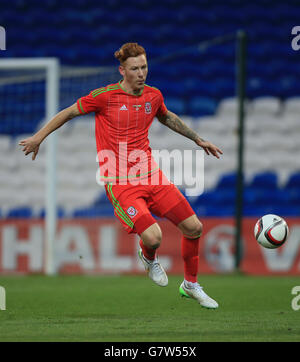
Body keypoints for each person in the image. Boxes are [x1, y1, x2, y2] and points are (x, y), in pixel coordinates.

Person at [19, 42, 223, 309]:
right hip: (119, 181)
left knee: (194, 227)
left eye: (145, 67)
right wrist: (38, 137)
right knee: (153, 237)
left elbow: (166, 116)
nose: (141, 73)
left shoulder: (153, 96)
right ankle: (149, 257)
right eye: (135, 68)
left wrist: (198, 139)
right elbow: (69, 112)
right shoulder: (105, 96)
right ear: (122, 70)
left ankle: (190, 285)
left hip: (151, 175)